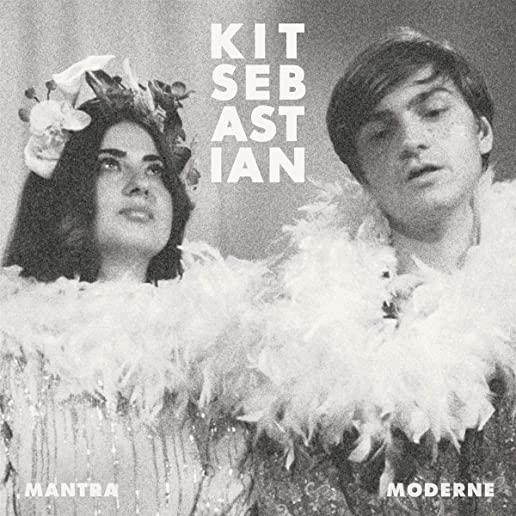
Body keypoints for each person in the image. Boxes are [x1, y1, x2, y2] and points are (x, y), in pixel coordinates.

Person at [244, 29, 516, 514]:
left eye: (433, 112)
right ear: (362, 176)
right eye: (381, 133)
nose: (412, 140)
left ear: (482, 133)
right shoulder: (306, 334)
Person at [0, 56, 260, 514]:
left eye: (156, 169)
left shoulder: (217, 353)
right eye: (110, 164)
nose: (141, 184)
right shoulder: (11, 346)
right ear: (68, 188)